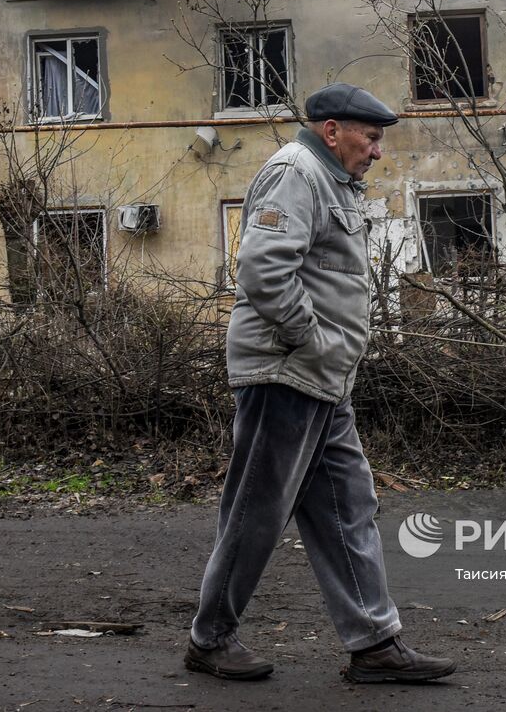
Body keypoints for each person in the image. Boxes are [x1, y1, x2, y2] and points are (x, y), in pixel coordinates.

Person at [186, 82, 457, 684]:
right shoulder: (296, 172)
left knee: (348, 507)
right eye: (371, 136)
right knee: (258, 510)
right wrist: (312, 340)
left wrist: (328, 355)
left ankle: (374, 644)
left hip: (323, 380)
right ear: (332, 129)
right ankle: (210, 638)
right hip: (286, 372)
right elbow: (263, 269)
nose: (378, 150)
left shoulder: (333, 181)